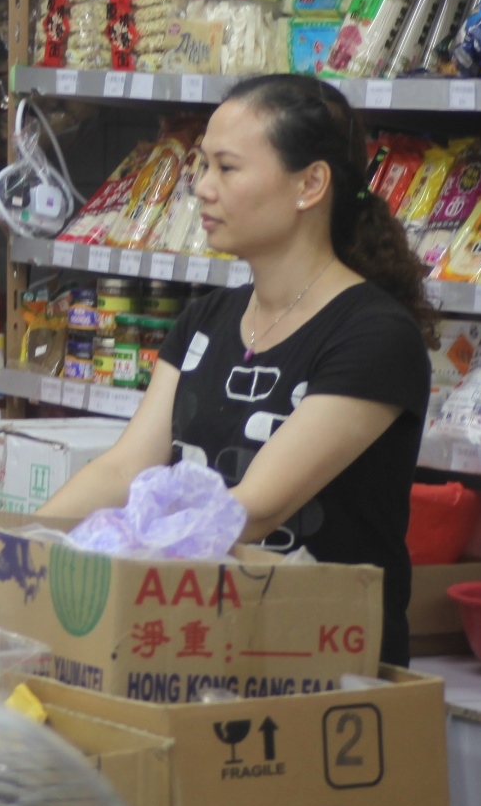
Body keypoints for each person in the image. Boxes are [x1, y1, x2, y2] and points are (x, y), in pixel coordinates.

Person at [38, 74, 436, 664]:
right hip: (199, 641)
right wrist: (22, 544)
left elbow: (259, 505)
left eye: (226, 168)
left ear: (310, 184)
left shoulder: (373, 335)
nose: (201, 188)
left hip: (323, 665)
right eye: (202, 167)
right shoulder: (205, 320)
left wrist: (121, 551)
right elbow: (124, 466)